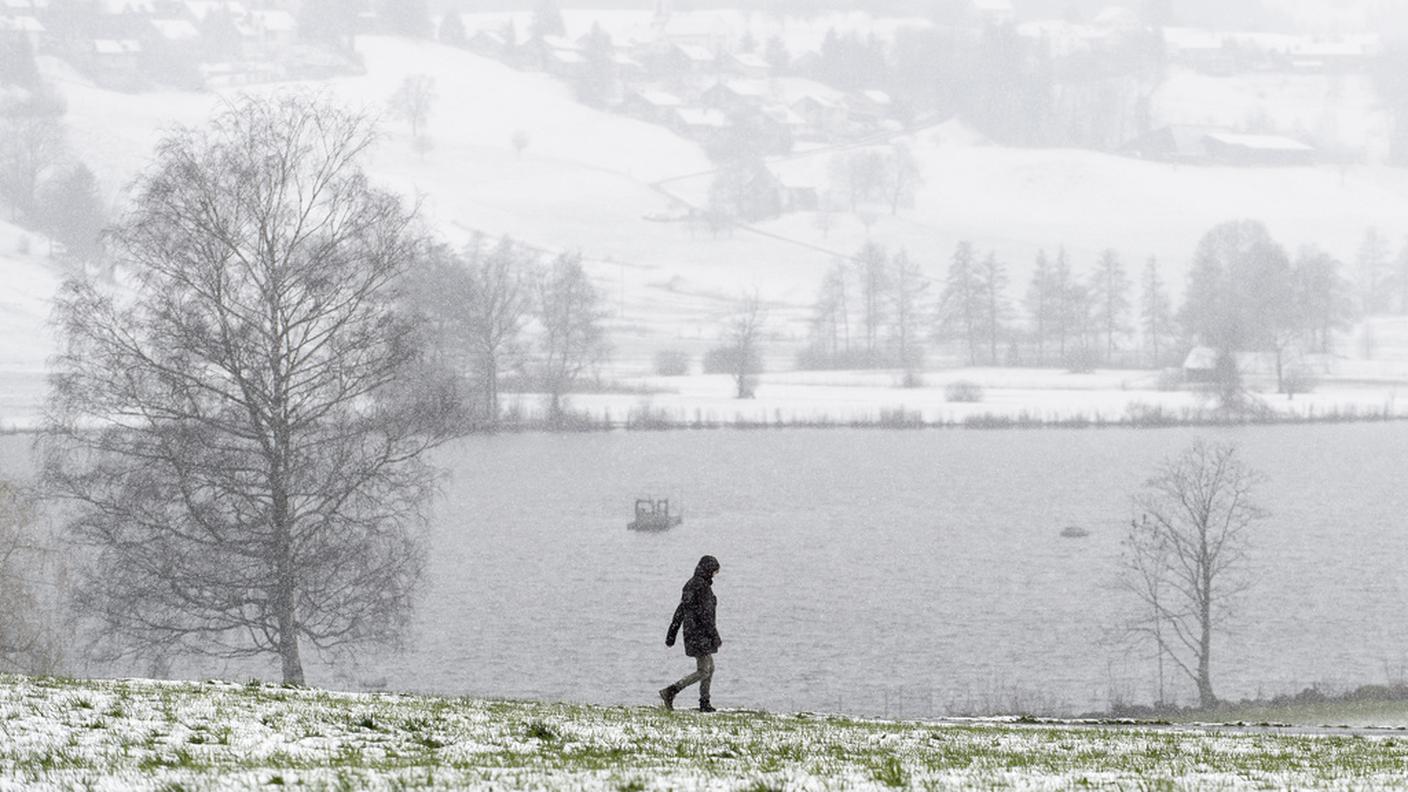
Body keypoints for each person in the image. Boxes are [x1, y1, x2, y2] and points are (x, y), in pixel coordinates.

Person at [659, 555, 721, 712]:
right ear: (708, 570)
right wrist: (714, 635)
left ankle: (704, 701)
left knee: (710, 667)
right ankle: (671, 691)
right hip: (699, 634)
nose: (715, 574)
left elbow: (681, 610)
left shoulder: (693, 585)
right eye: (715, 571)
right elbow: (705, 615)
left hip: (693, 633)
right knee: (704, 670)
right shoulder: (701, 587)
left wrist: (672, 632)